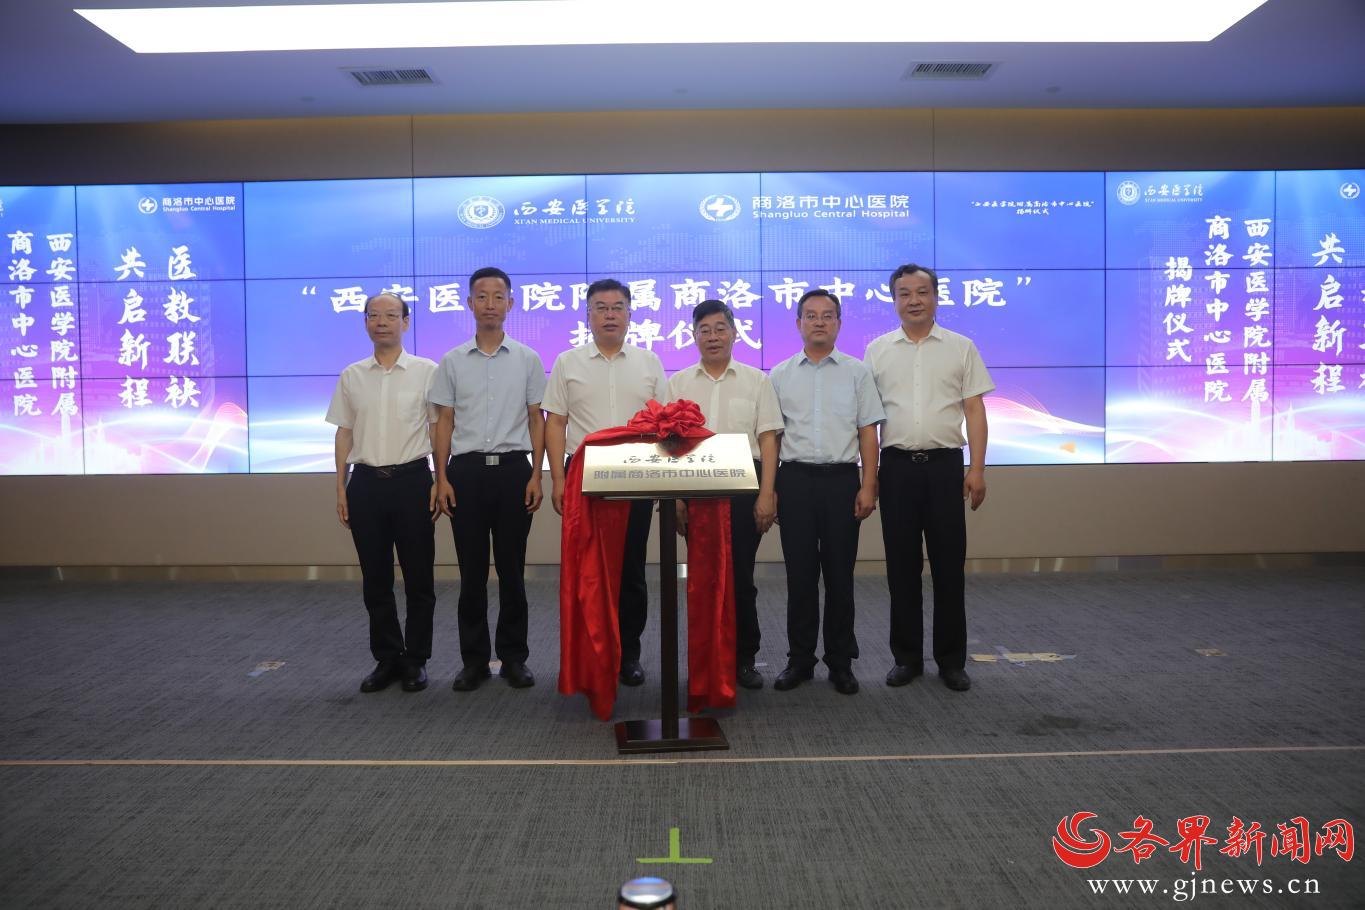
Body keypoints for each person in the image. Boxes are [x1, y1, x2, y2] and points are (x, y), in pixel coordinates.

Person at [864, 263, 993, 693]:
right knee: (901, 568)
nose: (914, 300)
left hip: (944, 468)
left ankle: (952, 661)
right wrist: (869, 478)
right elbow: (867, 421)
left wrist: (977, 468)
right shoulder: (877, 351)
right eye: (904, 293)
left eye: (922, 292)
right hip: (897, 468)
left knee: (948, 566)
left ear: (936, 296)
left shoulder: (961, 347)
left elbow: (974, 409)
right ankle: (906, 659)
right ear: (894, 300)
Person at [543, 278, 667, 686]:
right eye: (601, 308)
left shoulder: (649, 362)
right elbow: (555, 422)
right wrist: (558, 479)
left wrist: (662, 480)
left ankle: (628, 653)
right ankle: (592, 653)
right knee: (590, 571)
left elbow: (664, 424)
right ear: (588, 315)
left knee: (631, 570)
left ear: (630, 314)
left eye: (617, 307)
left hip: (637, 475)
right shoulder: (568, 362)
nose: (609, 315)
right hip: (584, 477)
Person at [431, 267, 547, 692]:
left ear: (510, 304)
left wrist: (537, 474)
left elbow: (537, 418)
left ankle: (514, 658)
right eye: (482, 296)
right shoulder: (452, 361)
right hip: (466, 474)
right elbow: (444, 421)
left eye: (499, 297)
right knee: (472, 572)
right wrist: (441, 477)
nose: (490, 304)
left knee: (513, 570)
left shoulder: (528, 359)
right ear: (469, 304)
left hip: (515, 471)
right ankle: (474, 660)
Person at [768, 289, 884, 695]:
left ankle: (840, 662)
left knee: (839, 576)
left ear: (838, 323)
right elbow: (773, 437)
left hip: (841, 482)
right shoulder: (780, 374)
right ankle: (799, 660)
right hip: (795, 481)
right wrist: (771, 489)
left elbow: (868, 431)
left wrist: (869, 484)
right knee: (800, 577)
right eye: (811, 315)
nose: (819, 322)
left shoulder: (857, 372)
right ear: (798, 323)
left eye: (827, 315)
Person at [326, 291, 440, 693]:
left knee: (419, 577)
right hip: (366, 484)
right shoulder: (352, 375)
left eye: (391, 315)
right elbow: (344, 432)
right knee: (375, 578)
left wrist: (440, 480)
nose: (382, 322)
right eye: (374, 315)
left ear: (405, 322)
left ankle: (416, 660)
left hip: (413, 482)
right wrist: (341, 486)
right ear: (365, 323)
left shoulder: (427, 372)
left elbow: (438, 430)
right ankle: (387, 657)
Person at [666, 299, 782, 690]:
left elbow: (768, 439)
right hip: (694, 489)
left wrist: (767, 493)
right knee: (702, 579)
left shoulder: (756, 380)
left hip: (745, 486)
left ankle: (744, 658)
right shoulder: (678, 383)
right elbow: (669, 444)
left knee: (740, 576)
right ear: (694, 335)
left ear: (734, 333)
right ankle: (706, 658)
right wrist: (675, 497)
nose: (713, 337)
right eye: (705, 330)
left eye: (720, 329)